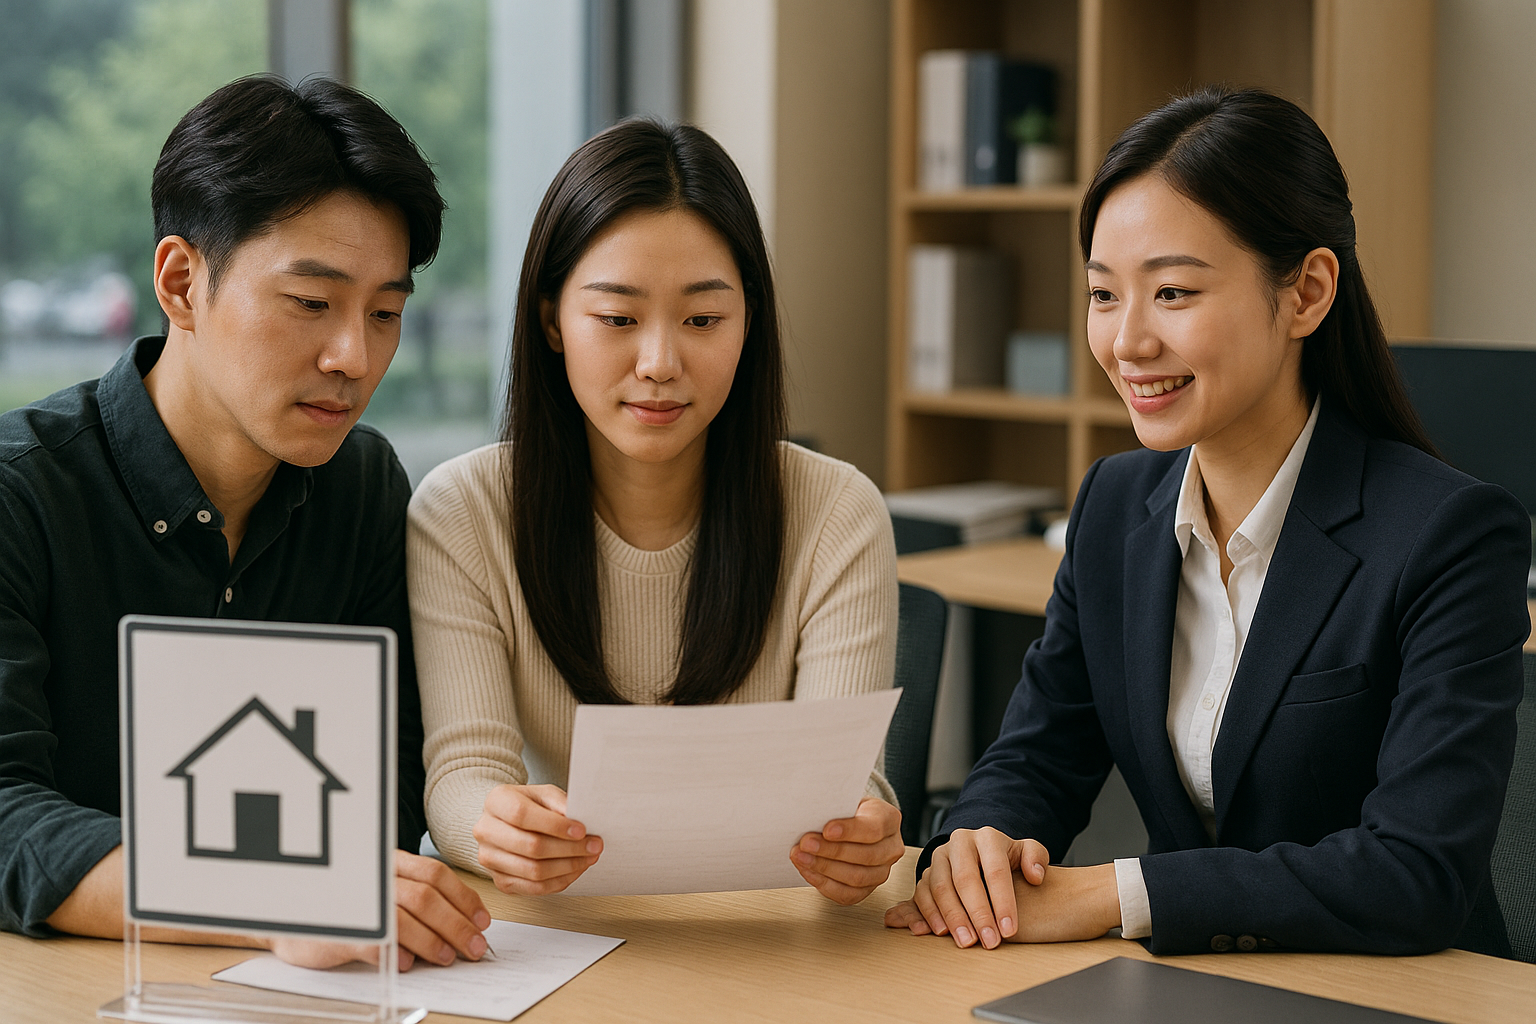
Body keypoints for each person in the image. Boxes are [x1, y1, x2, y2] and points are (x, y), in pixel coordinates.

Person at [884, 86, 1529, 956]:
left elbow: (1415, 874)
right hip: (1189, 990)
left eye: (1174, 293)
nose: (1127, 343)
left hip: (1397, 993)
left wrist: (1112, 893)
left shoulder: (1449, 536)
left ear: (1305, 292)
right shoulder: (1114, 505)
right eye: (1104, 296)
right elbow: (1037, 755)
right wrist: (980, 847)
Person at [0, 75, 493, 971]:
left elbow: (387, 785)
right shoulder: (20, 495)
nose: (354, 356)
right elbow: (2, 814)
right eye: (311, 303)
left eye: (385, 314)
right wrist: (272, 894)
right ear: (182, 282)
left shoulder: (362, 485)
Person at [407, 119, 904, 905]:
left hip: (772, 942)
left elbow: (850, 786)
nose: (660, 364)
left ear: (750, 323)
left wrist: (860, 837)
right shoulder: (463, 511)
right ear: (551, 322)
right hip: (561, 929)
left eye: (704, 320)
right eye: (617, 319)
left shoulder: (836, 512)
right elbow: (464, 776)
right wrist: (497, 827)